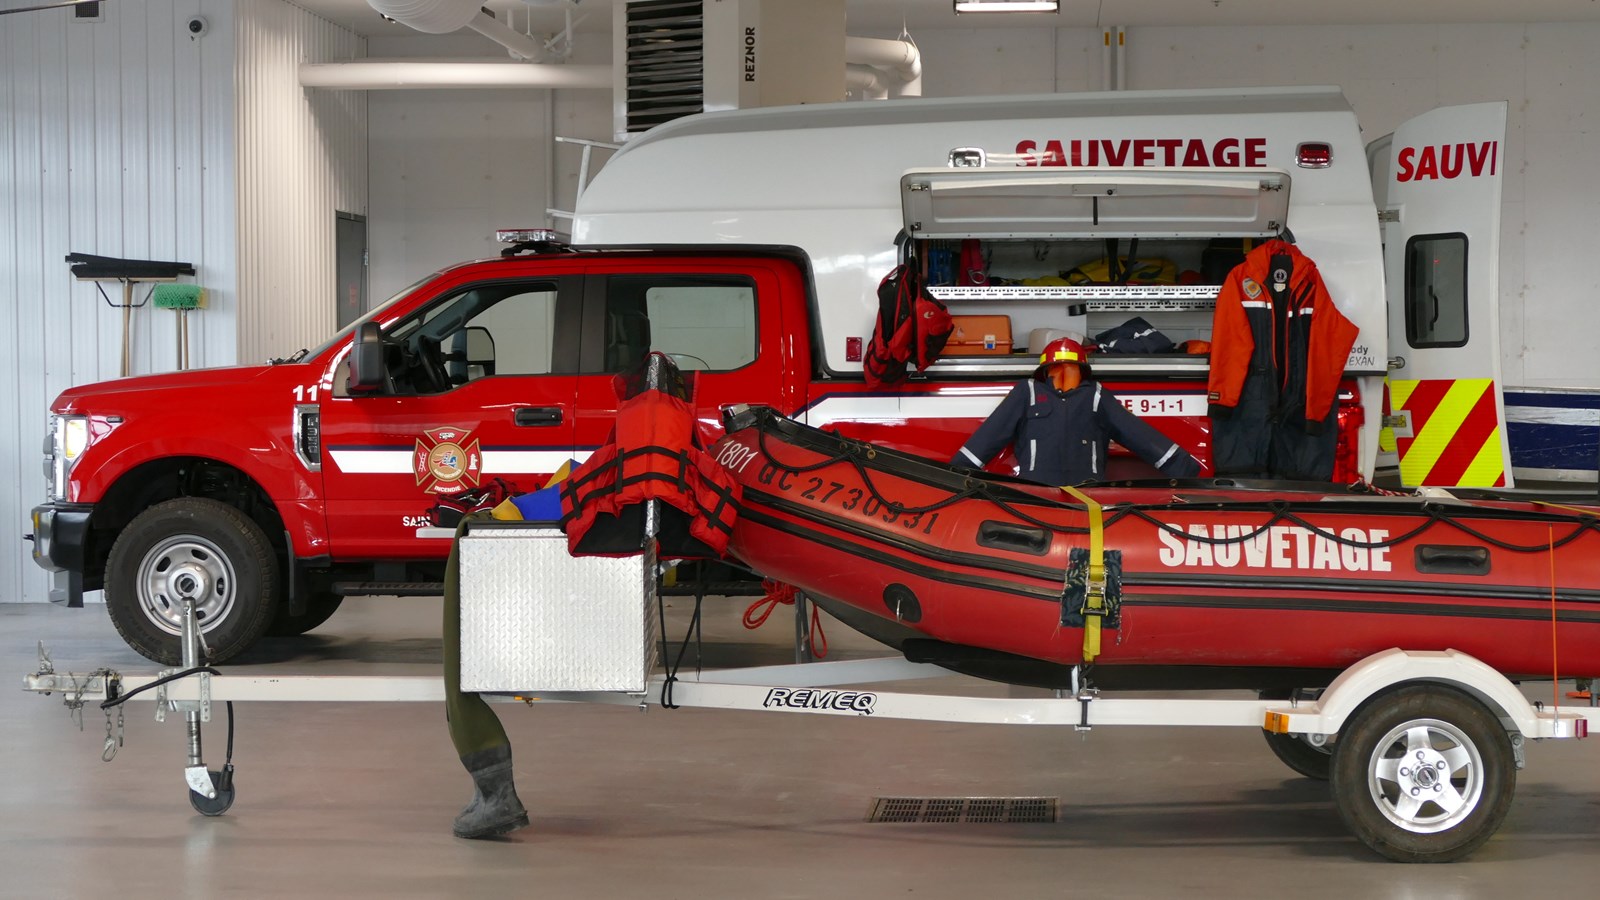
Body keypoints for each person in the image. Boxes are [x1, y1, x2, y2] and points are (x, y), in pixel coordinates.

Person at [952, 336, 1201, 485]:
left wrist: (1185, 471)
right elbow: (992, 433)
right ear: (1047, 370)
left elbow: (1137, 434)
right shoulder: (1027, 392)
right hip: (1038, 494)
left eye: (1069, 368)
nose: (1063, 373)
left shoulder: (1095, 396)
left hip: (1087, 495)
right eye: (1059, 368)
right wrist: (957, 473)